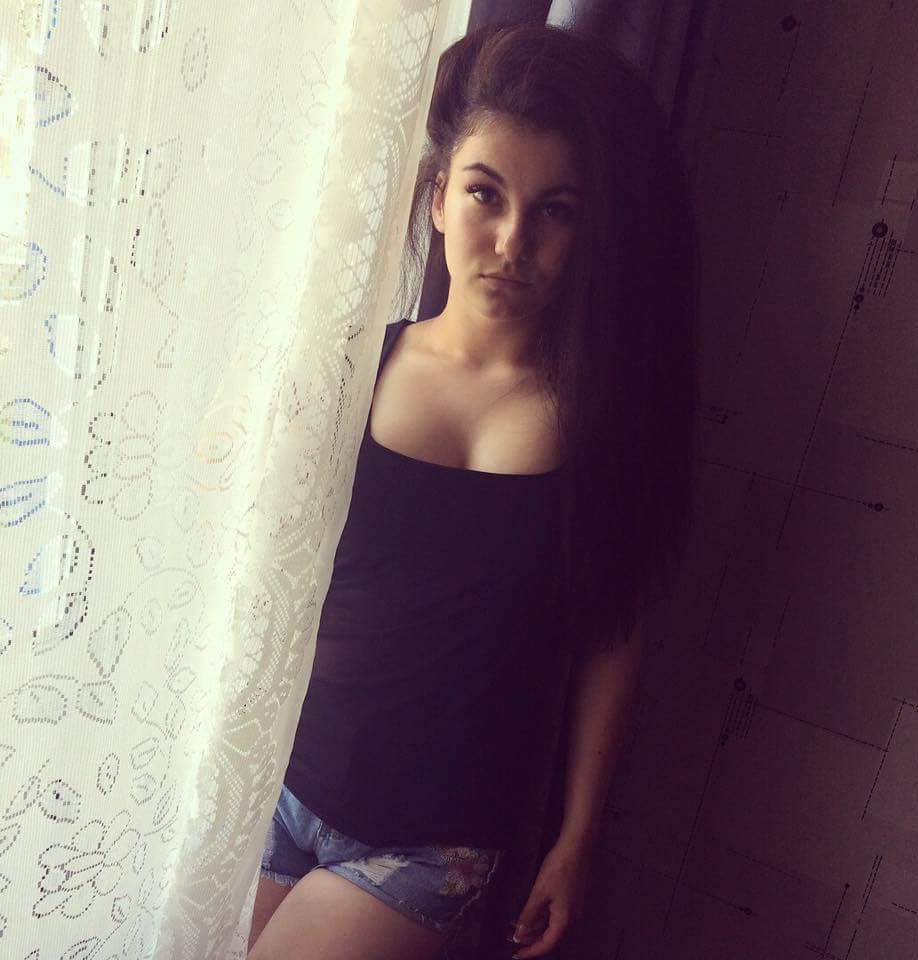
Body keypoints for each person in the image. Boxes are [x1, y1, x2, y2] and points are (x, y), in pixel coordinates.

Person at [249, 19, 700, 960]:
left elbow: (612, 634)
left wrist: (576, 842)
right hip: (275, 784)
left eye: (555, 211)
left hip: (430, 847)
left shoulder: (600, 421)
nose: (511, 241)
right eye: (485, 194)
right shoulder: (350, 369)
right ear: (437, 197)